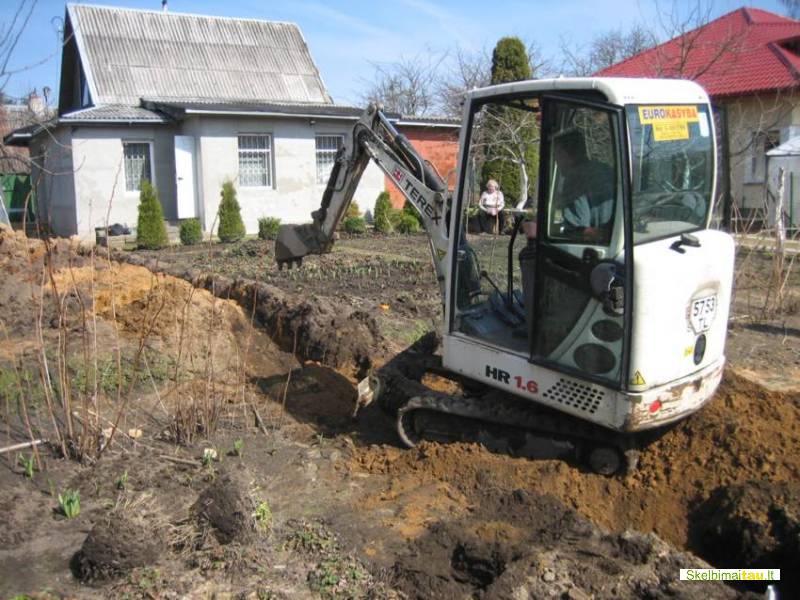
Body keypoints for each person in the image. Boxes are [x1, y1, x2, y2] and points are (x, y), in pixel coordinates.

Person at [553, 129, 615, 243]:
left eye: (557, 154)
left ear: (566, 154)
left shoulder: (575, 178)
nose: (556, 161)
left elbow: (581, 231)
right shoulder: (605, 169)